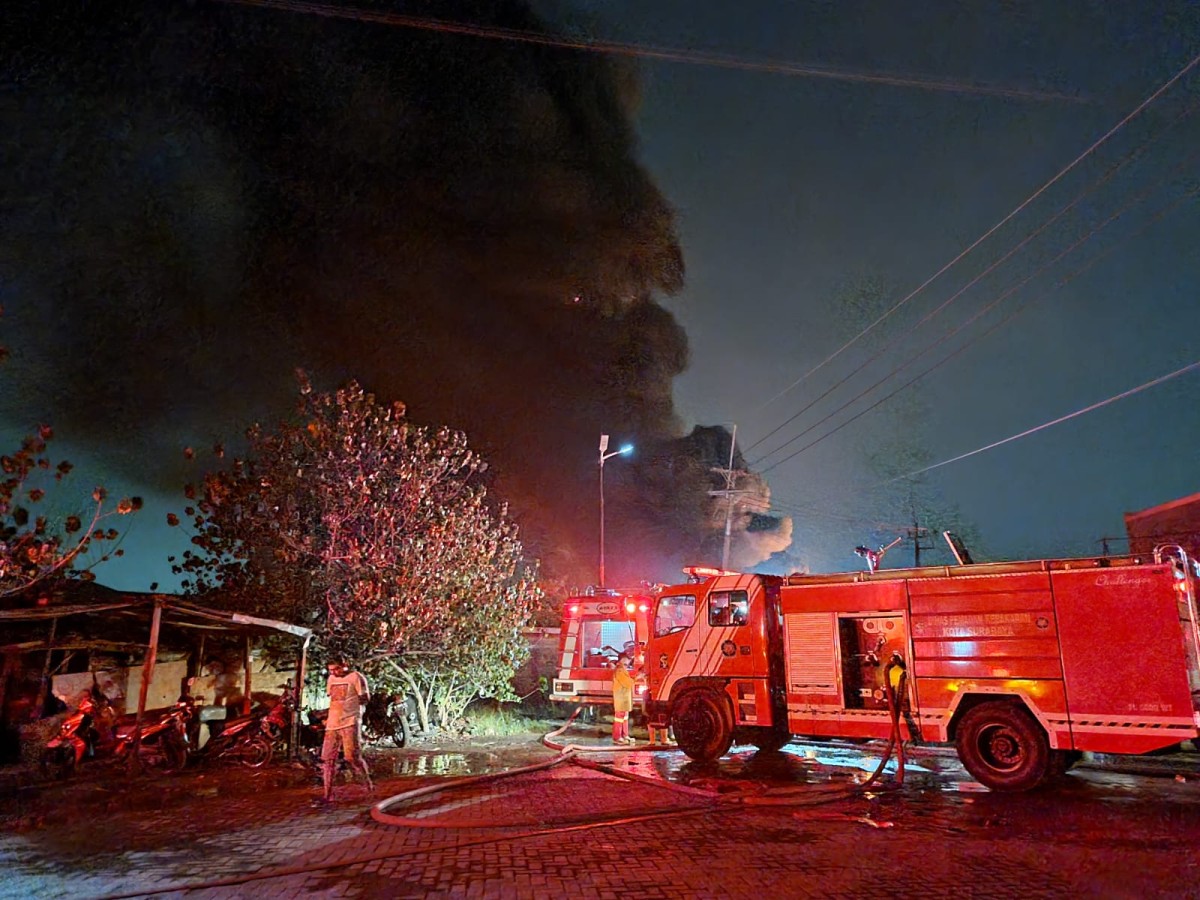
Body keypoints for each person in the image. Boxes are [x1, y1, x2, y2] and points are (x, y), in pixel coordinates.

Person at [319, 658, 373, 803]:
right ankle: (327, 794)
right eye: (330, 670)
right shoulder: (331, 679)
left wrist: (356, 713)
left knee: (352, 757)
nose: (333, 672)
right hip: (332, 724)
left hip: (349, 722)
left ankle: (368, 785)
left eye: (336, 669)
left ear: (344, 666)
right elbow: (334, 700)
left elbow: (365, 698)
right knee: (327, 760)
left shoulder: (356, 677)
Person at [611, 655, 635, 745]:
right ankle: (617, 737)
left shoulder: (622, 670)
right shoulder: (620, 671)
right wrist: (637, 678)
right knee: (619, 717)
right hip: (621, 698)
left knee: (624, 717)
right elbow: (627, 683)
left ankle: (625, 735)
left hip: (624, 699)